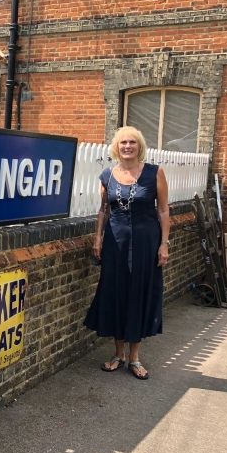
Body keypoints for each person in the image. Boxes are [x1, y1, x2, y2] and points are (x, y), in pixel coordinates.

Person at [84, 126, 170, 381]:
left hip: (146, 242)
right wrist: (97, 238)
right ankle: (118, 354)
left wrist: (164, 243)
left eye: (132, 142)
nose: (128, 146)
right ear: (116, 146)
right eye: (123, 143)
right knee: (116, 293)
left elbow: (164, 211)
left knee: (139, 293)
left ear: (139, 145)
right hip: (115, 242)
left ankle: (135, 357)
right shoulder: (107, 175)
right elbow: (103, 210)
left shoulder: (155, 173)